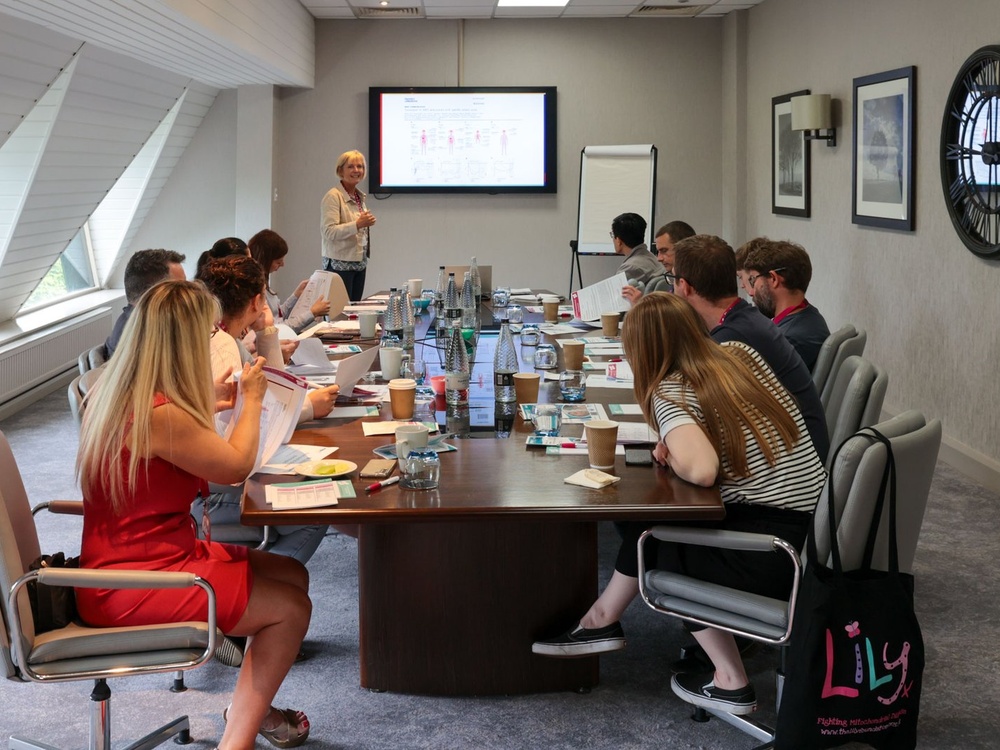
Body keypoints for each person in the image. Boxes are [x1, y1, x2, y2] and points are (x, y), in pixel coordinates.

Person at [533, 293, 825, 717]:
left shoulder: (670, 391)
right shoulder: (737, 354)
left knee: (654, 541)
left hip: (774, 556)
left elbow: (704, 470)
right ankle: (600, 619)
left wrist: (672, 443)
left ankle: (730, 681)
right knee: (658, 511)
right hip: (813, 531)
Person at [76, 280, 312, 748]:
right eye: (205, 334)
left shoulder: (119, 393)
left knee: (290, 575)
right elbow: (237, 465)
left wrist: (214, 402)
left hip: (134, 561)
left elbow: (162, 441)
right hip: (135, 582)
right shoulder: (160, 417)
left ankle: (250, 708)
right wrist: (255, 400)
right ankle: (237, 740)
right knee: (290, 610)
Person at [195, 255, 336, 564]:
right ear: (257, 301)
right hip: (208, 495)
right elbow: (233, 446)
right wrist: (308, 409)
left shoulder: (219, 338)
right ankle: (271, 576)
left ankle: (268, 577)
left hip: (206, 482)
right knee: (317, 507)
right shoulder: (223, 348)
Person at [672, 234, 829, 461]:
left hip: (787, 471)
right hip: (795, 457)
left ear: (684, 286)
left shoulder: (732, 340)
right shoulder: (744, 319)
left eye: (672, 279)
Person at [741, 238, 830, 371]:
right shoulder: (812, 317)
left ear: (773, 279)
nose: (752, 291)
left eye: (753, 280)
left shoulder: (788, 341)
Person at [105, 249, 186, 358]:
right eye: (180, 288)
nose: (187, 293)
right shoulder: (144, 336)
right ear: (153, 292)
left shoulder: (132, 320)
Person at [249, 228, 331, 333]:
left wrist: (295, 295)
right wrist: (312, 313)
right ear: (266, 260)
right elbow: (278, 328)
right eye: (278, 262)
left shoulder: (264, 283)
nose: (282, 265)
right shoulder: (257, 289)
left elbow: (278, 314)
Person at [321, 150, 375, 301]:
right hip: (340, 265)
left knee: (354, 311)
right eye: (351, 166)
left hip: (359, 263)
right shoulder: (333, 196)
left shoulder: (358, 196)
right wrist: (357, 224)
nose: (356, 170)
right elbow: (328, 231)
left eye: (360, 166)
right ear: (340, 170)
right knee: (340, 314)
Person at [621, 220, 696, 304]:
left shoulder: (698, 290)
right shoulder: (673, 280)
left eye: (664, 250)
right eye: (658, 252)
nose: (659, 258)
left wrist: (637, 306)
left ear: (684, 250)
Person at [610, 212, 661, 290]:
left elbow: (612, 294)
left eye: (612, 235)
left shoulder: (631, 267)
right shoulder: (651, 257)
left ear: (619, 241)